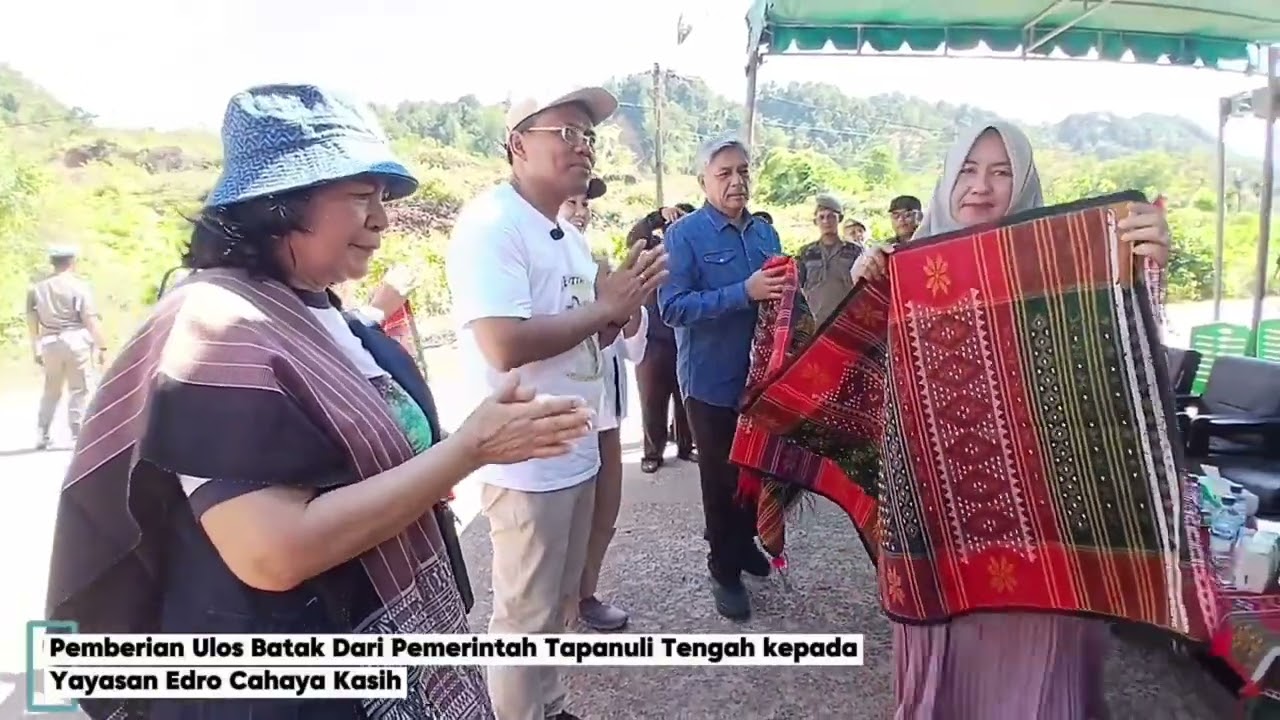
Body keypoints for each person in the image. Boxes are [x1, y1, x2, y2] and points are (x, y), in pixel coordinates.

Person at [44, 84, 596, 720]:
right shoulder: (217, 328)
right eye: (360, 198)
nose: (382, 219)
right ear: (279, 205)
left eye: (382, 199)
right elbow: (273, 551)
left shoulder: (325, 313)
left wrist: (473, 433)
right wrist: (471, 449)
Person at [850, 122, 1171, 720]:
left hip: (1043, 525)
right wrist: (865, 296)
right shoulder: (900, 271)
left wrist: (1147, 267)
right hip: (940, 520)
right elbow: (865, 390)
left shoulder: (1066, 270)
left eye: (1002, 172)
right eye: (969, 170)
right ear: (946, 179)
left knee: (1035, 689)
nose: (982, 186)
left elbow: (1120, 362)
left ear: (1023, 184)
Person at [446, 87, 666, 720]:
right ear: (518, 144)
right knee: (522, 617)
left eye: (589, 137)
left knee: (559, 603)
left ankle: (551, 704)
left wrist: (620, 308)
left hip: (575, 449)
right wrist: (604, 308)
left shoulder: (566, 238)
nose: (583, 147)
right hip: (527, 460)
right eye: (566, 132)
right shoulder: (494, 222)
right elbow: (503, 341)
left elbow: (588, 338)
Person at [658, 135, 783, 620]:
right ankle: (723, 568)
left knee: (756, 470)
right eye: (725, 173)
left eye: (744, 171)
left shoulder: (763, 233)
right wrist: (743, 292)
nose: (737, 181)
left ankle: (745, 542)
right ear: (703, 181)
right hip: (710, 384)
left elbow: (780, 295)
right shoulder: (685, 236)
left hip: (761, 382)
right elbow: (672, 308)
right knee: (720, 477)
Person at [559, 177, 649, 631]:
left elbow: (631, 347)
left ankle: (585, 594)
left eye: (583, 203)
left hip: (607, 416)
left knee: (604, 513)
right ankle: (557, 609)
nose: (579, 211)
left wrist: (631, 301)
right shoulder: (548, 269)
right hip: (566, 418)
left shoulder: (599, 263)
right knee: (562, 524)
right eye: (569, 202)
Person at [626, 203, 697, 473]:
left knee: (685, 396)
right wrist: (656, 216)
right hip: (652, 335)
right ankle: (652, 452)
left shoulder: (694, 247)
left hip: (686, 333)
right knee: (652, 398)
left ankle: (685, 446)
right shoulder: (653, 247)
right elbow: (634, 238)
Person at [27, 246, 107, 450]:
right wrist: (102, 346)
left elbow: (32, 322)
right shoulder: (80, 287)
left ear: (52, 263)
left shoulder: (37, 289)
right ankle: (76, 433)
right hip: (76, 340)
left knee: (51, 389)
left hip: (49, 342)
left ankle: (42, 433)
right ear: (72, 262)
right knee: (79, 388)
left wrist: (35, 348)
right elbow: (89, 318)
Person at [794, 193, 862, 324]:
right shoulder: (806, 253)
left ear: (839, 219)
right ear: (816, 221)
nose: (826, 221)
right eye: (822, 217)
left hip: (847, 321)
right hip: (813, 322)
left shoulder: (854, 251)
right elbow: (798, 287)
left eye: (831, 216)